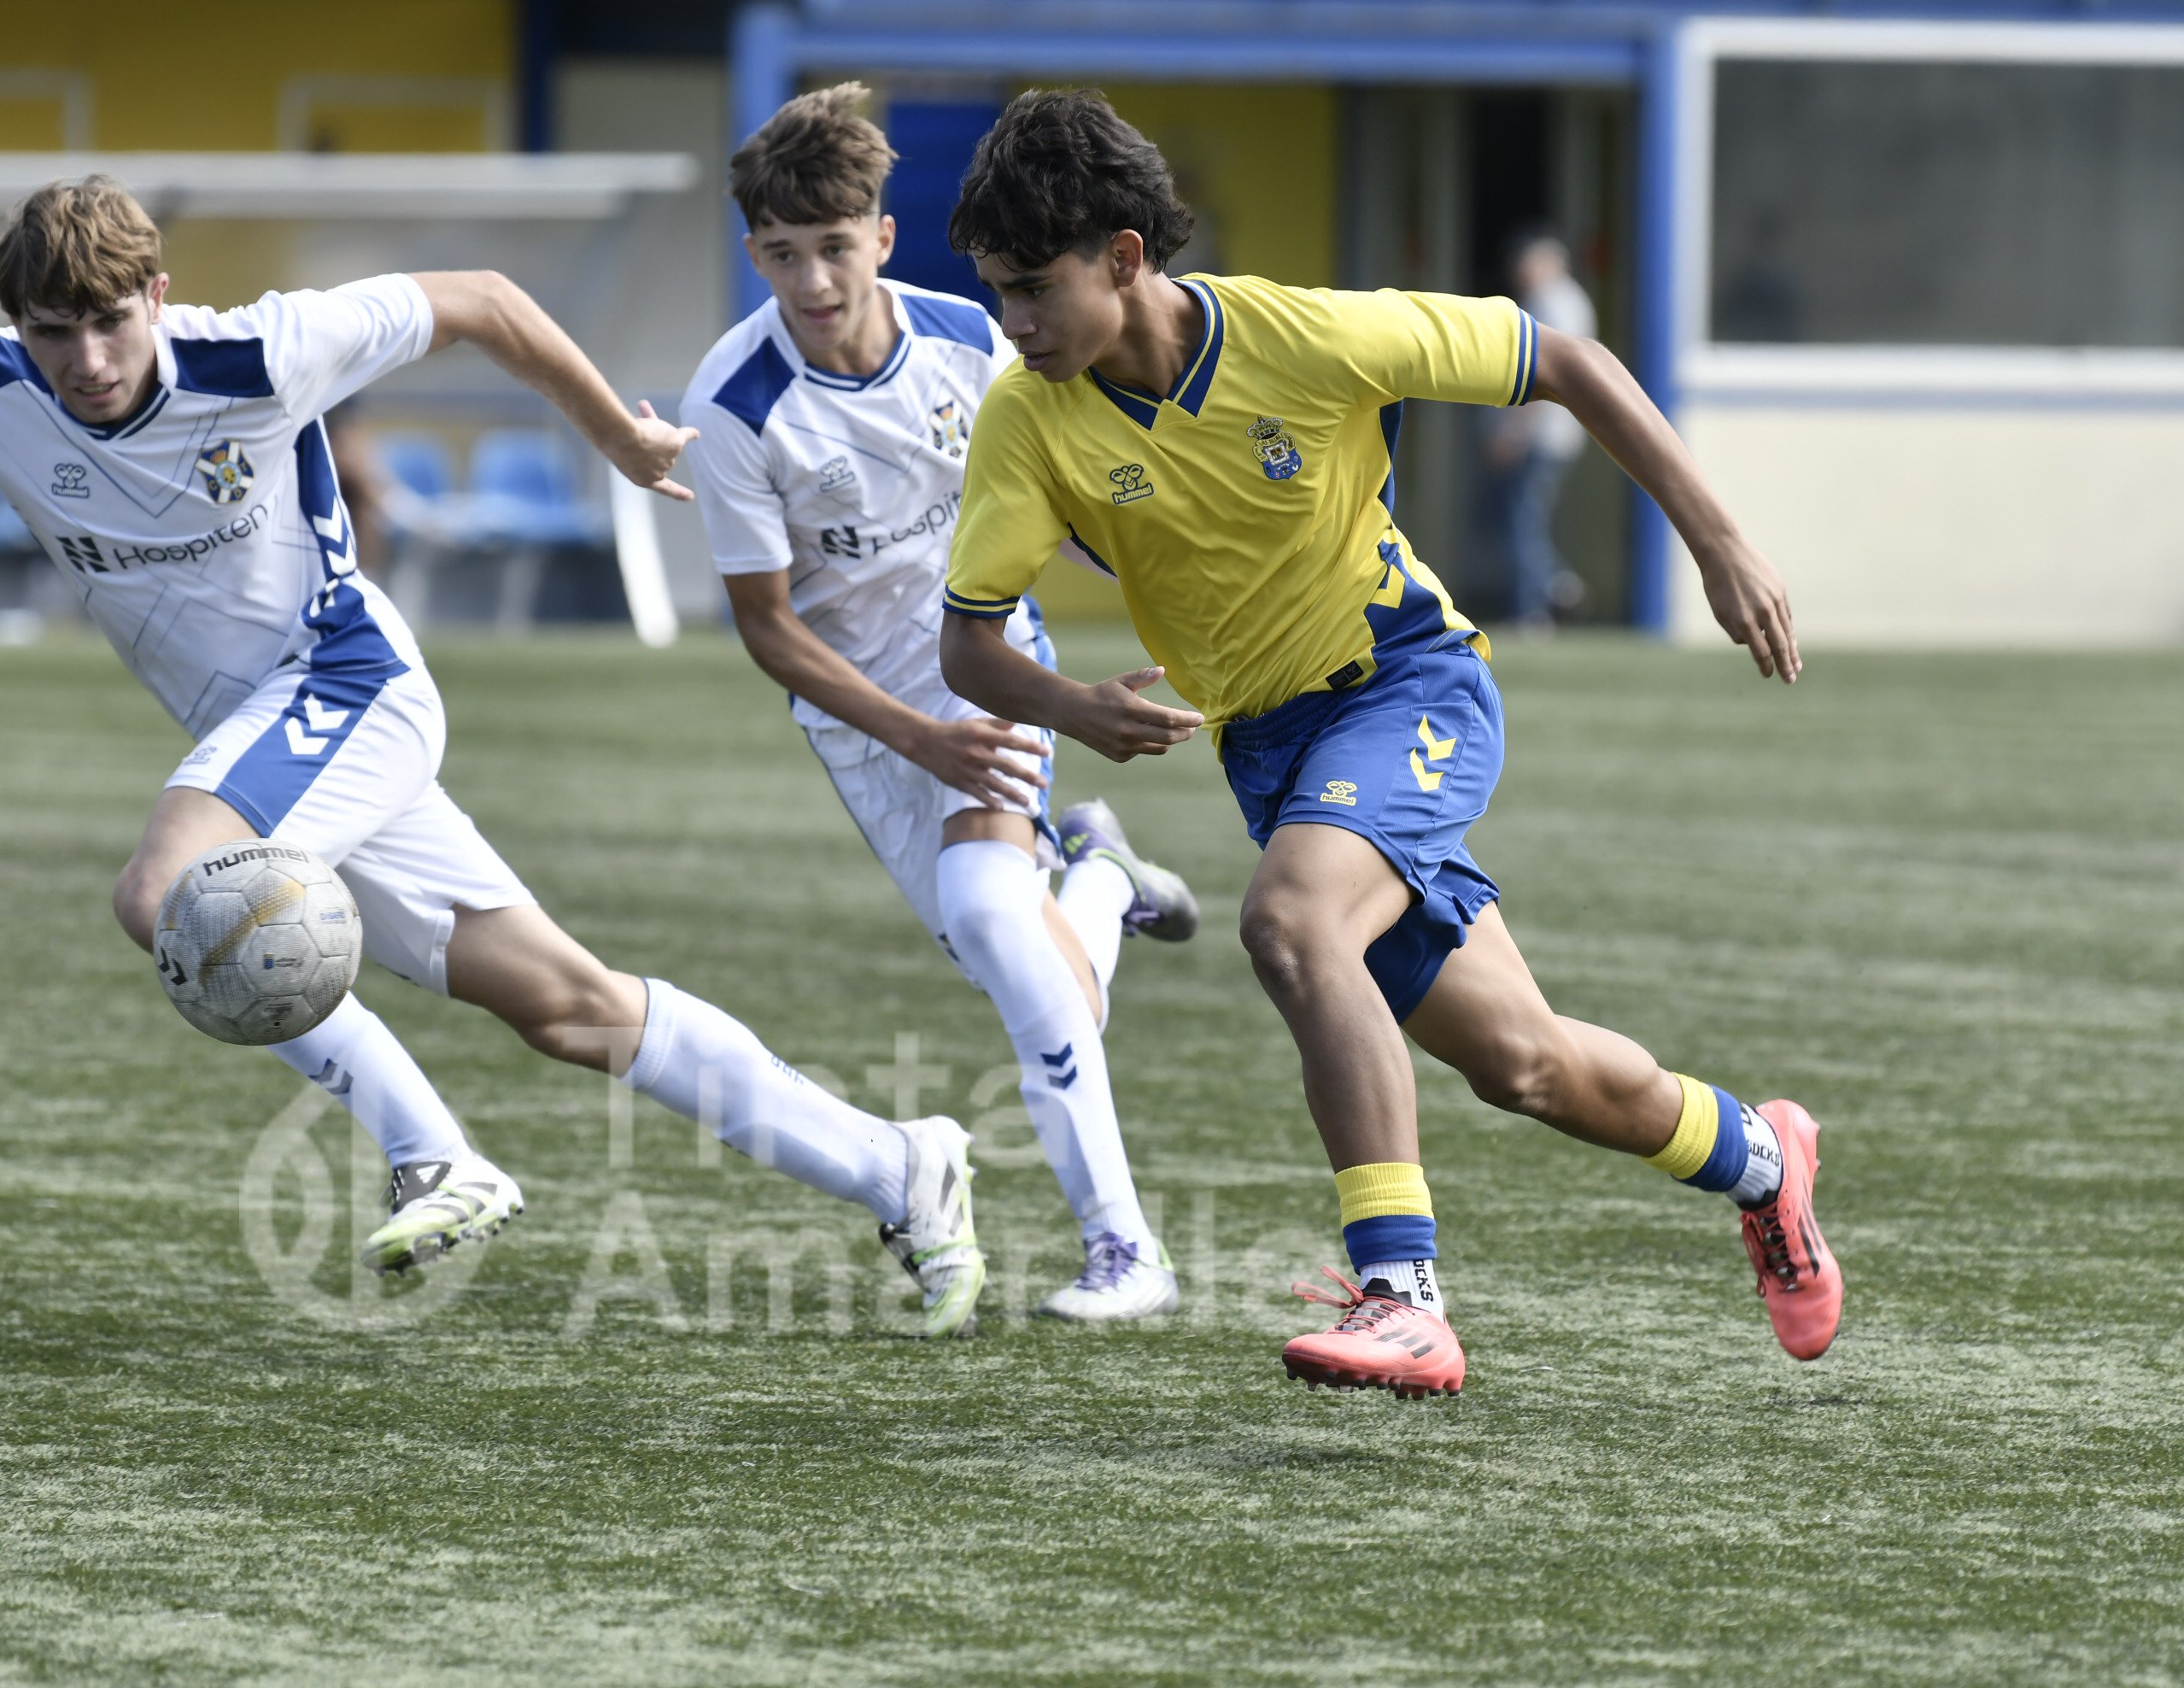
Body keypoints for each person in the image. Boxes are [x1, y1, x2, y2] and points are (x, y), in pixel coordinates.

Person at [0, 177, 989, 1337]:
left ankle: (433, 1154)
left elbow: (485, 301)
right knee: (572, 1009)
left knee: (167, 893)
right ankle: (901, 1166)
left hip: (348, 685)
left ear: (159, 296)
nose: (84, 361)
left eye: (107, 323)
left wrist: (617, 434)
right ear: (14, 325)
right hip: (272, 742)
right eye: (52, 332)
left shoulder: (263, 350)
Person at [936, 91, 1838, 1397]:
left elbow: (1567, 363)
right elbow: (968, 649)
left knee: (1293, 924)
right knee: (1522, 1064)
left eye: (1031, 290)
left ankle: (1401, 1295)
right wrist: (1079, 707)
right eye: (996, 294)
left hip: (1409, 687)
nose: (1012, 325)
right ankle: (1764, 1159)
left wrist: (1723, 543)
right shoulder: (1031, 417)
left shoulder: (1309, 335)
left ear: (1125, 257)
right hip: (1274, 755)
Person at [682, 85, 1196, 1322]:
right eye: (780, 254)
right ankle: (1109, 884)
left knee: (997, 927)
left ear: (882, 237)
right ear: (754, 250)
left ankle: (1125, 1250)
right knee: (1019, 961)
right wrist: (917, 736)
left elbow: (1067, 502)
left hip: (989, 658)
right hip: (870, 721)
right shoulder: (734, 404)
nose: (810, 280)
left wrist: (1154, 588)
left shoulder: (972, 340)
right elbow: (771, 629)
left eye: (835, 248)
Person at [1483, 233, 1596, 627]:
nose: (1519, 271)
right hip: (1556, 437)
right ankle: (1553, 583)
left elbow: (1538, 377)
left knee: (1522, 521)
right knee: (1522, 519)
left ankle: (1536, 603)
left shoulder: (1550, 302)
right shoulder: (1571, 299)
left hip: (1539, 439)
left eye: (1527, 263)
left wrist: (1512, 434)